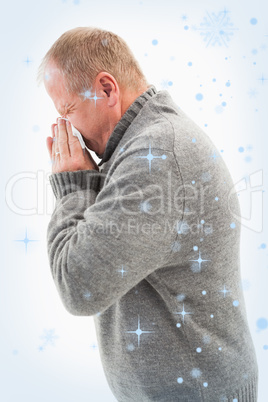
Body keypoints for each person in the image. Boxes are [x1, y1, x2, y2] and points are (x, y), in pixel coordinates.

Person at [37, 27, 259, 401]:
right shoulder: (145, 139)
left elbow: (78, 285)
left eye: (68, 111)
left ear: (107, 90)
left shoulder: (154, 160)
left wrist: (73, 188)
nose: (66, 131)